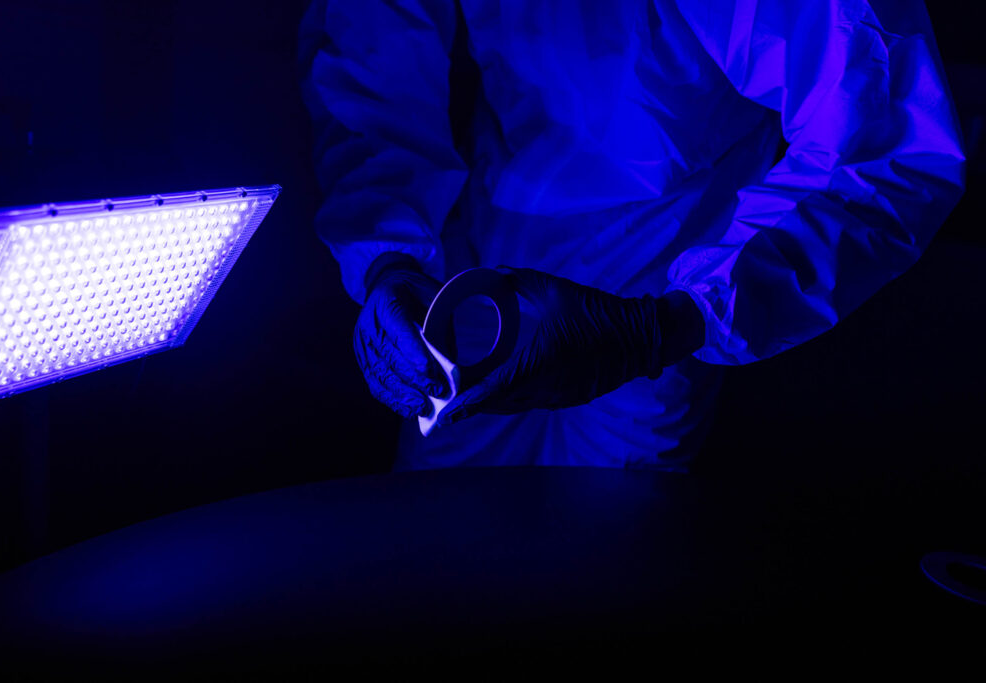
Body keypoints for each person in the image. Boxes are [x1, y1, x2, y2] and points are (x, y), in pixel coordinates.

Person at [298, 0, 964, 471]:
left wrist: (672, 323)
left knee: (602, 579)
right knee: (429, 561)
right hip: (487, 244)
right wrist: (387, 256)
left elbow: (887, 141)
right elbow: (371, 51)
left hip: (661, 267)